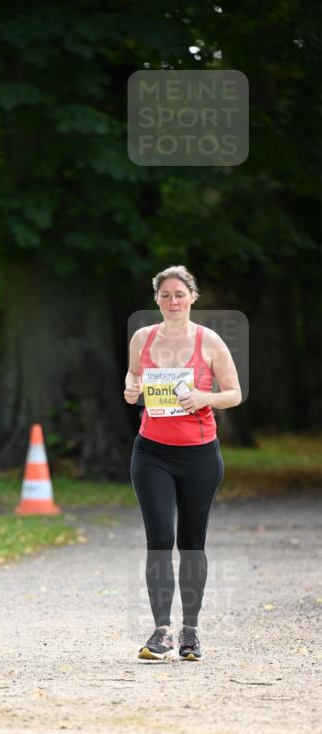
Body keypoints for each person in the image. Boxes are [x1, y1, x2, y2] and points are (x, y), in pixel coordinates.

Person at [124, 267, 241, 661]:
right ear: (156, 299)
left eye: (180, 294)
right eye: (165, 295)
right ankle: (161, 631)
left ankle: (190, 632)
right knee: (159, 539)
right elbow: (134, 375)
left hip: (199, 455)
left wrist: (203, 398)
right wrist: (131, 387)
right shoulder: (143, 337)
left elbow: (234, 394)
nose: (173, 301)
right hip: (152, 451)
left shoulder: (210, 341)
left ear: (193, 296)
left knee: (192, 543)